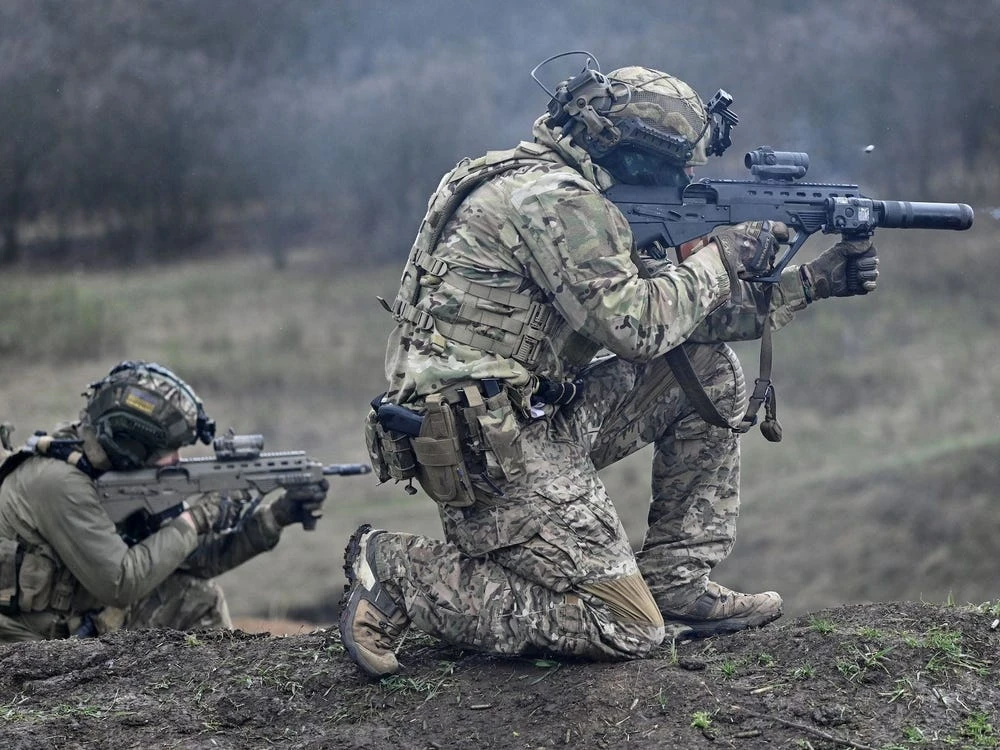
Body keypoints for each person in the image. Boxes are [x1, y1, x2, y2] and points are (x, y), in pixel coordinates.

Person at [341, 61, 879, 677]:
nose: (686, 175)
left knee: (708, 371)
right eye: (677, 162)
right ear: (633, 153)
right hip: (486, 450)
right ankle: (399, 572)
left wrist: (810, 284)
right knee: (627, 627)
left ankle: (677, 579)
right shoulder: (557, 200)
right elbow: (638, 326)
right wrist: (724, 255)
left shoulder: (539, 179)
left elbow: (684, 323)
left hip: (524, 417)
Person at [0, 360, 328, 641]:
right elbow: (121, 584)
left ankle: (217, 709)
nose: (176, 459)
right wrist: (195, 519)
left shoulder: (108, 470)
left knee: (198, 597)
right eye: (168, 450)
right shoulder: (59, 482)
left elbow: (195, 560)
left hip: (74, 619)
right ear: (131, 445)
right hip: (26, 642)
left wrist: (275, 517)